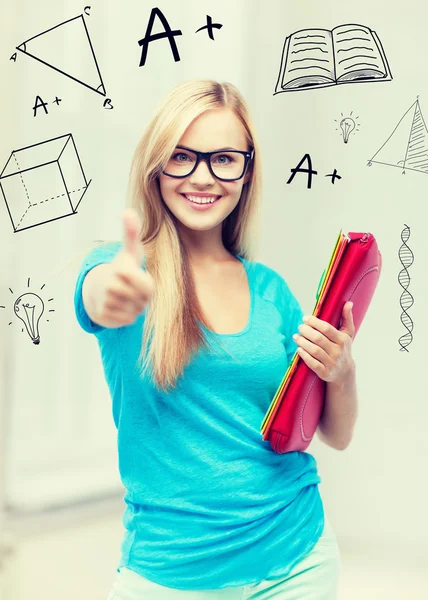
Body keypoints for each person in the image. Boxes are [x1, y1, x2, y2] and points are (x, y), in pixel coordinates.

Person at [74, 79, 357, 599]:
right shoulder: (121, 269)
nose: (203, 176)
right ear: (156, 166)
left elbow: (333, 434)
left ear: (247, 171)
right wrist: (112, 293)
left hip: (298, 559)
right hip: (171, 574)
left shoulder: (271, 290)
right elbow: (99, 296)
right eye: (182, 156)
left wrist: (342, 372)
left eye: (224, 158)